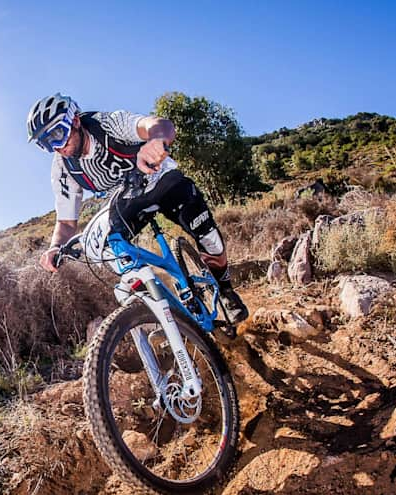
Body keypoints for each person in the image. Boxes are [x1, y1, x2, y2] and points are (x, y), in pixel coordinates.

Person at [27, 93, 248, 324]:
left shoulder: (107, 124)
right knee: (110, 248)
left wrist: (156, 141)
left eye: (57, 135)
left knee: (208, 235)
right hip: (126, 202)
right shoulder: (63, 168)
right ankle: (163, 312)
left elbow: (158, 125)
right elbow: (66, 222)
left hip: (162, 181)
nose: (56, 147)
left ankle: (226, 291)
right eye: (46, 144)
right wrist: (55, 248)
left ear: (74, 121)